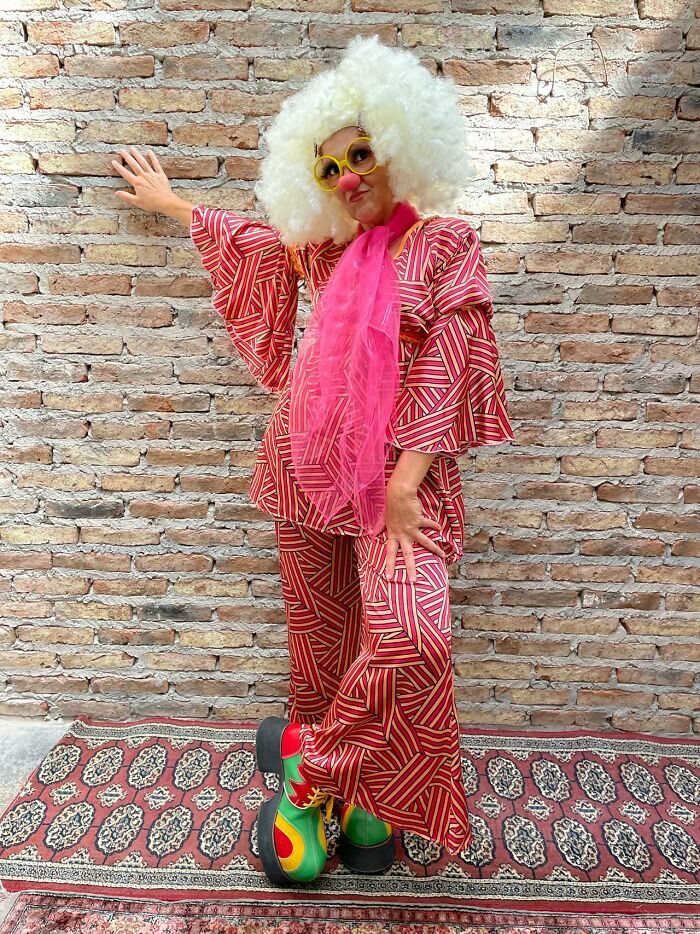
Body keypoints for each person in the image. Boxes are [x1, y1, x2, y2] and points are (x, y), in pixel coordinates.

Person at [111, 36, 515, 888]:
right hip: (304, 470)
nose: (347, 178)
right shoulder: (323, 250)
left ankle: (311, 765)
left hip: (400, 487)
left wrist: (406, 485)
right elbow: (257, 246)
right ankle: (352, 799)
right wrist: (174, 204)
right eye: (327, 169)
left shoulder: (446, 245)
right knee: (321, 646)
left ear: (400, 145)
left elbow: (452, 360)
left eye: (360, 155)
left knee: (409, 634)